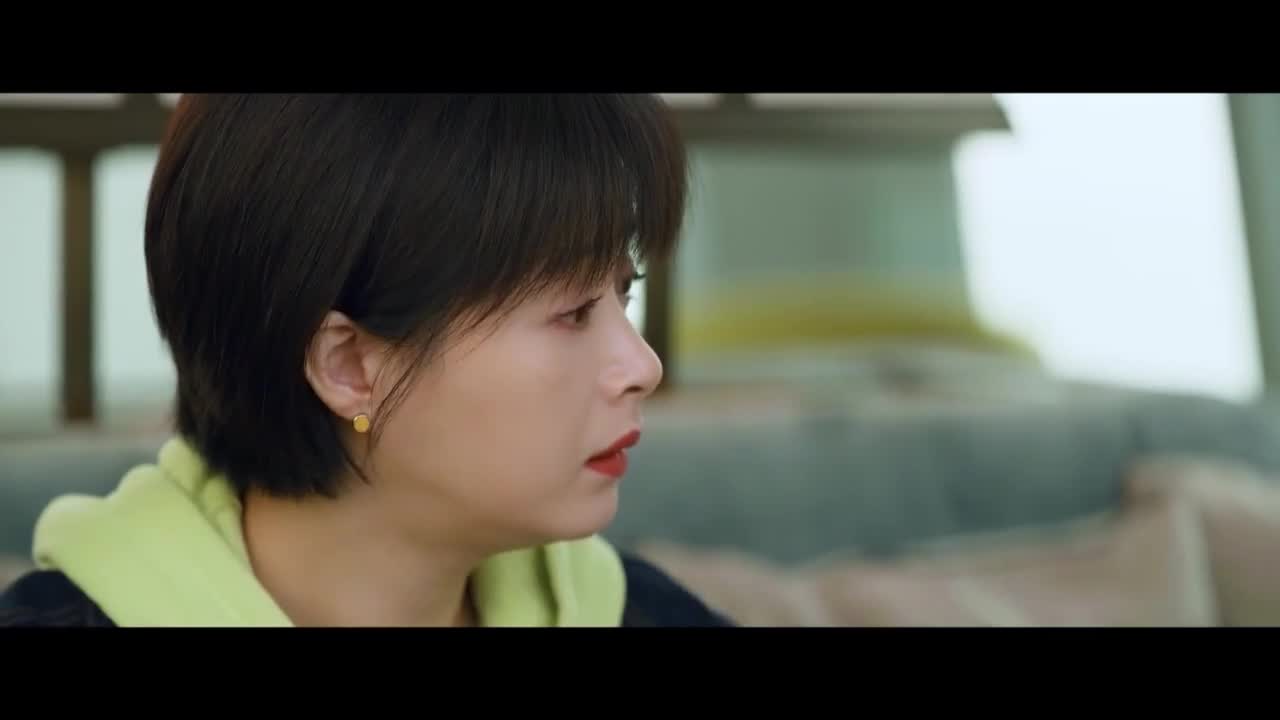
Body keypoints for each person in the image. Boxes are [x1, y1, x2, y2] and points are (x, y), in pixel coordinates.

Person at [0, 94, 732, 627]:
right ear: (348, 366)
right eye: (572, 313)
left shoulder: (644, 612)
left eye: (624, 291)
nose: (642, 366)